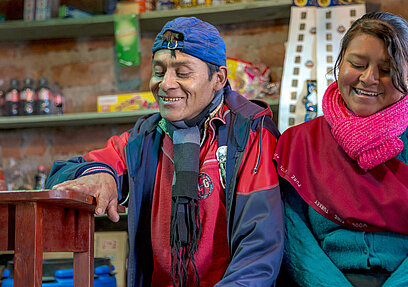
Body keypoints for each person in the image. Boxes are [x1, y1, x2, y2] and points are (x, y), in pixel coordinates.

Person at [46, 17, 284, 287]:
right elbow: (60, 176)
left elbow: (260, 250)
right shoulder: (145, 138)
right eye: (159, 71)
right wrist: (100, 174)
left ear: (218, 78)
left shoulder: (250, 135)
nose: (166, 84)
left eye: (182, 73)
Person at [274, 12, 408, 287]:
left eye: (386, 70)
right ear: (340, 62)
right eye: (357, 64)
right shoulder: (301, 143)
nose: (369, 78)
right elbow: (294, 238)